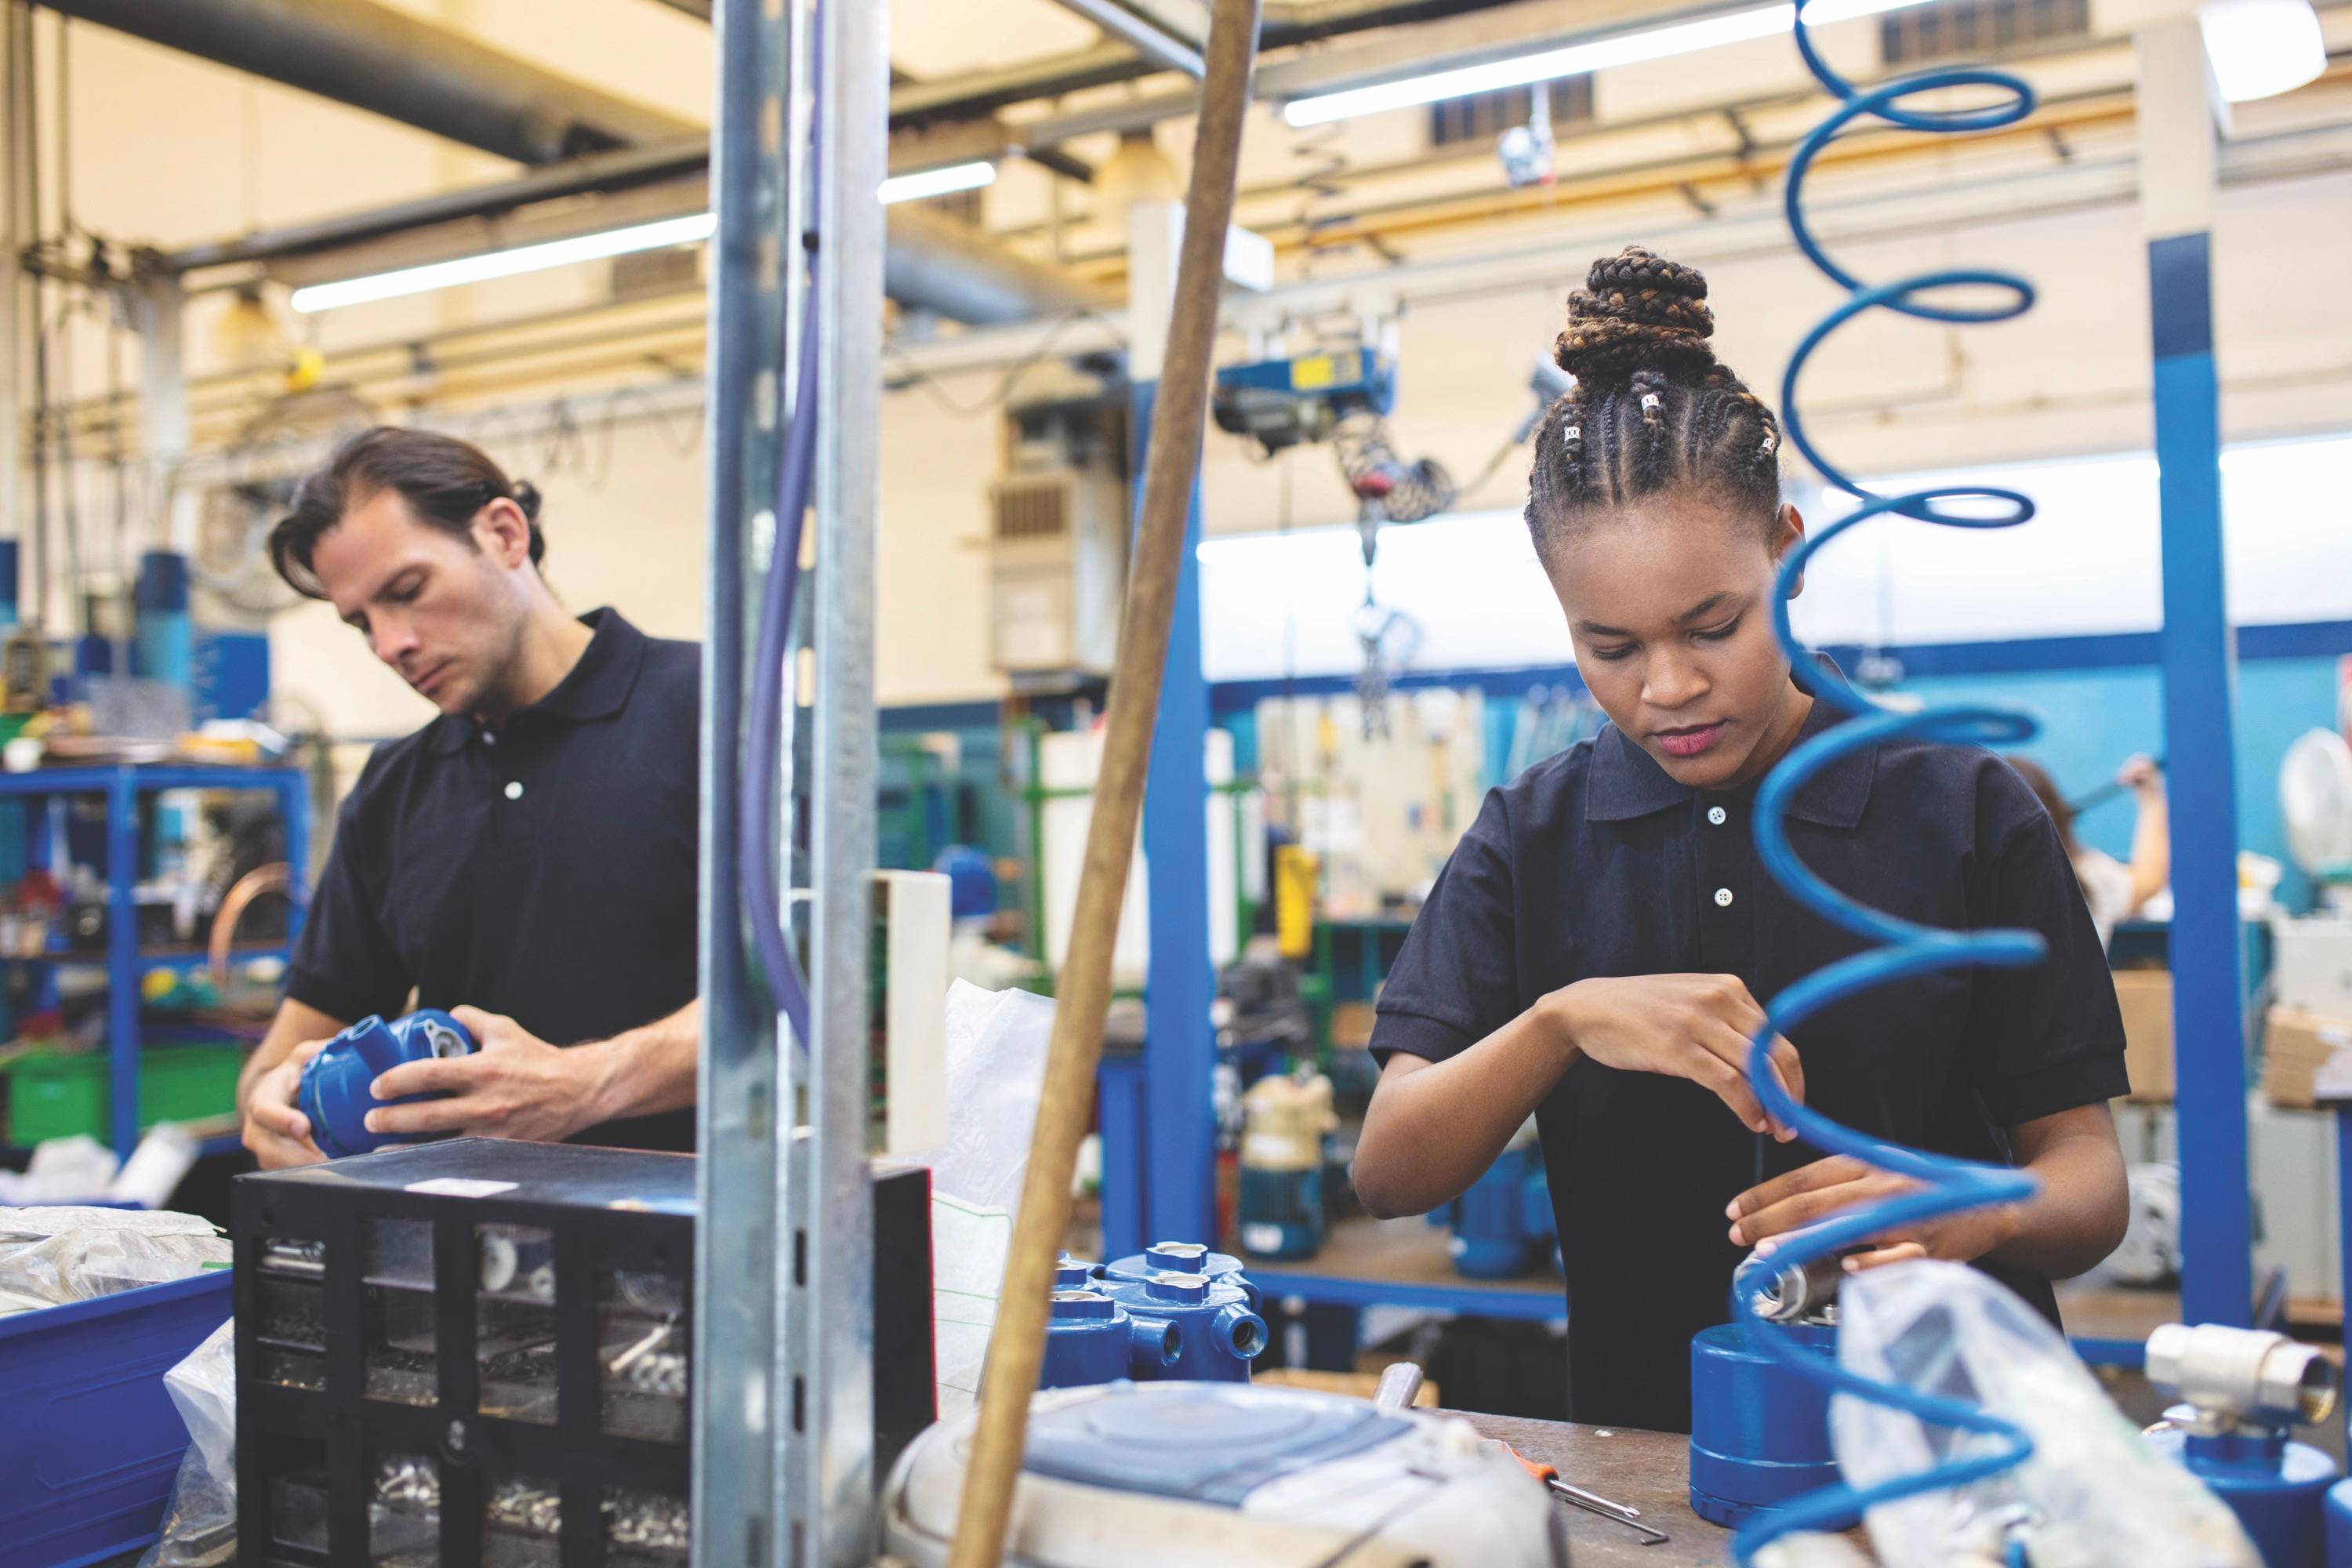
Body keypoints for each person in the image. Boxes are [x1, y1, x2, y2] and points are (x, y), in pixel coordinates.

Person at [1348, 249, 2130, 1432]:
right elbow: (1390, 1169)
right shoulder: (1537, 833)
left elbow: (2090, 1181)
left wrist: (1981, 1207)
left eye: (1712, 626)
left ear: (1789, 552)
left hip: (1948, 1450)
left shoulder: (1964, 810)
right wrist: (1566, 1019)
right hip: (1656, 1451)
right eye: (1609, 648)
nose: (1668, 686)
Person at [235, 427, 701, 1167]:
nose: (390, 644)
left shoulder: (711, 713)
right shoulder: (393, 792)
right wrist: (272, 1105)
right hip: (464, 1254)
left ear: (503, 533)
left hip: (701, 1244)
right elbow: (283, 1054)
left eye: (408, 591)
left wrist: (586, 1083)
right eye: (361, 623)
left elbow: (806, 993)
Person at [2007, 753, 2169, 950]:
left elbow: (2145, 884)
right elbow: (2146, 883)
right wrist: (2151, 799)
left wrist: (2151, 799)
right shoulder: (2085, 874)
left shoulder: (2086, 874)